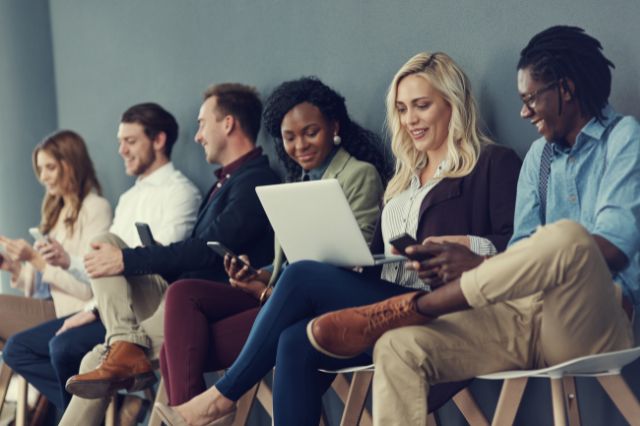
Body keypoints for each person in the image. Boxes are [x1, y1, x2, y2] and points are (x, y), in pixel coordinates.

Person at [155, 52, 522, 426]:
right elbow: (379, 255)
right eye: (401, 109)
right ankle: (217, 401)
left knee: (301, 275)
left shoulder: (492, 163)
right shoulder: (402, 182)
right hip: (391, 299)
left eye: (421, 106)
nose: (410, 119)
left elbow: (522, 248)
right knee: (294, 339)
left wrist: (467, 244)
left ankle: (219, 399)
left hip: (447, 306)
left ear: (453, 104)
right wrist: (364, 260)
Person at [307, 26, 639, 426]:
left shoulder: (624, 139)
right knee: (397, 346)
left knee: (568, 237)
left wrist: (483, 264)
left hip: (593, 320)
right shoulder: (539, 156)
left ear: (565, 89)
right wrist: (473, 263)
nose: (524, 111)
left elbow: (614, 248)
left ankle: (415, 307)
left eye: (532, 98)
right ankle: (403, 317)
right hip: (521, 316)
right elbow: (521, 251)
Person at [59, 83, 280, 426]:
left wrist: (128, 260)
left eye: (203, 123)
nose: (198, 136)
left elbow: (208, 251)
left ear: (228, 124)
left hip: (209, 305)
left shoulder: (256, 180)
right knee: (103, 240)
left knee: (95, 360)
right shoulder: (226, 182)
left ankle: (124, 346)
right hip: (183, 299)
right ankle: (124, 342)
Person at [158, 76, 387, 407]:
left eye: (311, 132)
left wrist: (267, 291)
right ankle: (190, 413)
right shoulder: (297, 181)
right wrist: (258, 275)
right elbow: (289, 263)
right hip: (279, 294)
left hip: (316, 302)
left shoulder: (359, 174)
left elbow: (355, 255)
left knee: (176, 347)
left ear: (334, 125)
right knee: (182, 294)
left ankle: (191, 413)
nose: (300, 145)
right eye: (289, 137)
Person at [2, 103, 201, 415]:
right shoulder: (128, 198)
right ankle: (112, 403)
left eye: (130, 141)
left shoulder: (180, 192)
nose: (121, 150)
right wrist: (85, 297)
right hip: (108, 306)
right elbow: (101, 266)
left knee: (64, 345)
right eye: (120, 142)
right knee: (21, 347)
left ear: (158, 141)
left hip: (146, 306)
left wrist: (86, 299)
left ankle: (110, 399)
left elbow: (162, 260)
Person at [0, 129, 111, 414]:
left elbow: (88, 287)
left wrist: (36, 260)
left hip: (76, 312)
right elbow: (43, 287)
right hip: (53, 308)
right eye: (40, 169)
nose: (44, 176)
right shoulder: (56, 213)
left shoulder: (96, 208)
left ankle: (87, 405)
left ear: (71, 163)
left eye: (50, 167)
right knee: (13, 348)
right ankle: (86, 404)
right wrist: (13, 266)